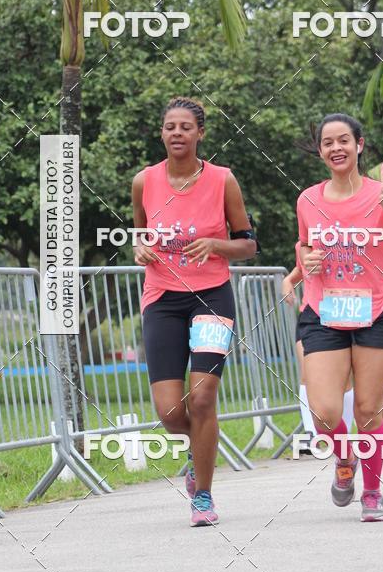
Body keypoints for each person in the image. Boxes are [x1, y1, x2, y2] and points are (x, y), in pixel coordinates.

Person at [132, 96, 257, 526]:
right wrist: (140, 248)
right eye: (170, 126)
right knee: (170, 413)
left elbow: (248, 243)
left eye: (186, 127)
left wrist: (217, 245)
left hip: (211, 297)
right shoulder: (144, 181)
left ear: (200, 133)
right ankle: (198, 447)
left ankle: (202, 495)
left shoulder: (223, 180)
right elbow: (140, 233)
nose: (178, 133)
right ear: (162, 133)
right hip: (162, 300)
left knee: (202, 397)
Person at [296, 113, 383, 522]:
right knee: (325, 410)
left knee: (368, 408)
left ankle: (373, 492)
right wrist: (306, 258)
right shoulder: (308, 199)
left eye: (344, 140)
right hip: (323, 311)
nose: (336, 148)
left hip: (376, 311)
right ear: (321, 151)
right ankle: (345, 456)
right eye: (328, 142)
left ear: (359, 145)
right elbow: (305, 252)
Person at [281, 243, 355, 445]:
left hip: (349, 309)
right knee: (308, 373)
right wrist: (288, 281)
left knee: (344, 380)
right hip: (313, 314)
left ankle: (342, 436)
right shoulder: (303, 241)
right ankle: (310, 432)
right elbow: (301, 268)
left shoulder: (350, 235)